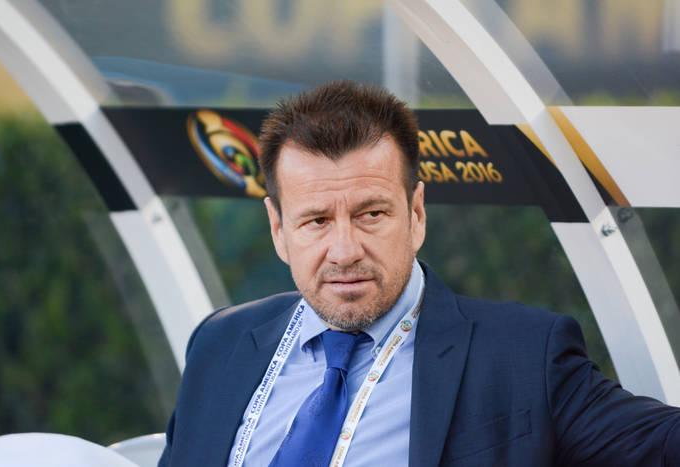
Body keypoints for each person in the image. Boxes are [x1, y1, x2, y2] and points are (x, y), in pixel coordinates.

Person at [159, 81, 680, 467]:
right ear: (278, 229)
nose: (344, 251)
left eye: (371, 214)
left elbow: (661, 444)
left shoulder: (524, 357)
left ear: (416, 213)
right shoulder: (220, 343)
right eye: (316, 221)